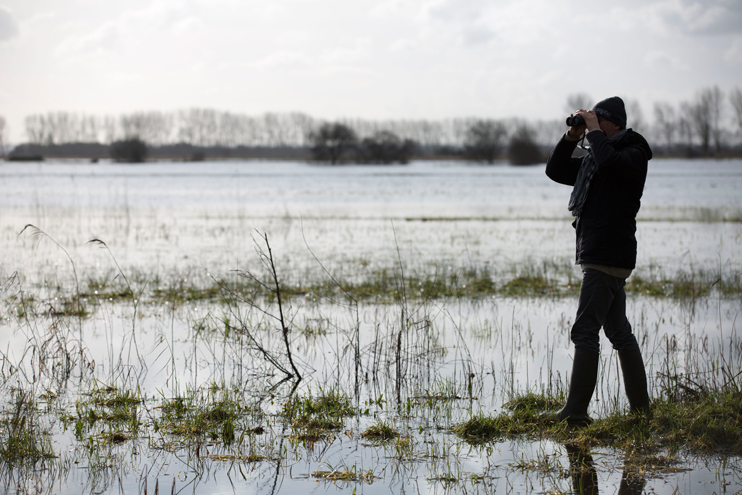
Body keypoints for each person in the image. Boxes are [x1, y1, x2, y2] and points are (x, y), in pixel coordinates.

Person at [544, 96, 652, 425]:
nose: (592, 125)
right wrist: (572, 137)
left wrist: (593, 134)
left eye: (597, 120)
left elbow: (610, 163)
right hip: (601, 252)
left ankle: (575, 413)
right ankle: (642, 412)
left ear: (613, 124)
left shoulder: (631, 155)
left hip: (608, 254)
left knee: (585, 331)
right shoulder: (596, 159)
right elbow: (556, 170)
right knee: (619, 331)